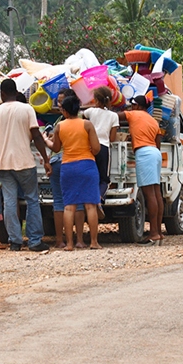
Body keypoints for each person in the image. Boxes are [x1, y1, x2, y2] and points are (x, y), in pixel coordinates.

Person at [0, 77, 51, 252]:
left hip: (3, 164)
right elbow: (37, 136)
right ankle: (35, 241)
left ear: (2, 93)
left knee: (9, 202)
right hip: (24, 162)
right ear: (15, 92)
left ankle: (15, 241)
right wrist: (45, 159)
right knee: (32, 200)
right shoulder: (27, 109)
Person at [50, 94, 101, 250]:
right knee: (90, 206)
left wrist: (47, 140)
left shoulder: (59, 127)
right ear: (78, 109)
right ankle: (93, 242)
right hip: (87, 165)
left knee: (69, 206)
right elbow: (97, 149)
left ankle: (70, 244)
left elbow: (56, 148)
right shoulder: (87, 125)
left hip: (68, 167)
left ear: (64, 111)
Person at [118, 95, 164, 245]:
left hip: (144, 153)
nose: (130, 108)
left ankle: (154, 233)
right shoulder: (153, 120)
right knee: (156, 192)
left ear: (137, 106)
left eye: (132, 106)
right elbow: (158, 143)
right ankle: (158, 231)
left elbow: (114, 116)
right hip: (155, 153)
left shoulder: (134, 114)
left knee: (148, 193)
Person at [45, 88, 85, 249]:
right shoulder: (85, 121)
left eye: (61, 101)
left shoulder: (60, 124)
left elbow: (55, 146)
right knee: (79, 202)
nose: (59, 104)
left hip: (60, 162)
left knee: (60, 202)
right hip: (79, 162)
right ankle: (80, 240)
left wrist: (46, 139)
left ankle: (61, 241)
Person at [83, 86, 119, 218]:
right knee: (104, 179)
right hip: (103, 147)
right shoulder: (113, 116)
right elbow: (113, 138)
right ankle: (98, 199)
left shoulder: (90, 112)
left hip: (90, 147)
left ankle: (88, 200)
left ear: (96, 100)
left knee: (92, 175)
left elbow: (83, 116)